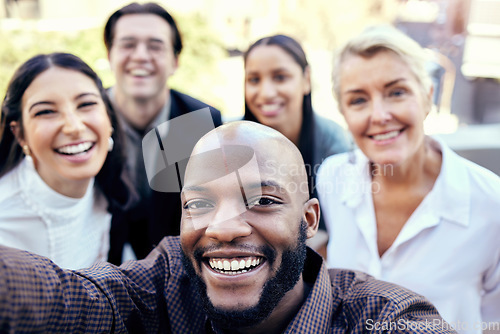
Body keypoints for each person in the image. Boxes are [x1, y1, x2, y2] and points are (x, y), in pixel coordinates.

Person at [0, 121, 455, 333]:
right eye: (199, 203)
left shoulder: (378, 315)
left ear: (309, 220)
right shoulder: (163, 284)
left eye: (261, 200)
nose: (224, 228)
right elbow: (69, 296)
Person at [316, 25, 500, 333]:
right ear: (343, 113)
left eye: (397, 92)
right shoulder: (332, 177)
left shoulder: (490, 203)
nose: (379, 115)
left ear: (428, 96)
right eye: (358, 100)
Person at [103, 2, 223, 264]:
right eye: (128, 44)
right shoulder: (87, 118)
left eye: (155, 46)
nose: (141, 56)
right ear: (110, 55)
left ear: (175, 61)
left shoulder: (202, 122)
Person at [0, 53, 133, 269]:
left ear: (108, 117)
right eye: (46, 111)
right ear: (20, 135)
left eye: (86, 104)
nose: (74, 127)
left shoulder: (117, 188)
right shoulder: (5, 218)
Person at [243, 34, 350, 253]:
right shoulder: (227, 141)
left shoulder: (334, 145)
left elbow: (336, 234)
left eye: (280, 77)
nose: (266, 93)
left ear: (306, 79)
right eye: (254, 80)